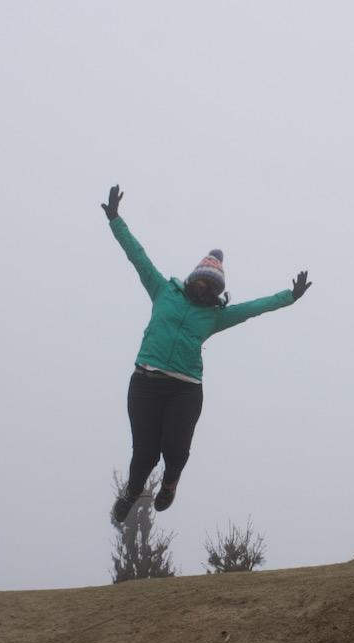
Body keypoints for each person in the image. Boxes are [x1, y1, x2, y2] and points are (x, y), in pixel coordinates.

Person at [102, 184, 313, 527]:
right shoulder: (162, 290)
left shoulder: (215, 316)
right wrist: (115, 219)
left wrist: (289, 296)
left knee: (176, 449)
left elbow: (252, 308)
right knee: (144, 453)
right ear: (192, 279)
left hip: (185, 388)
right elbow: (137, 256)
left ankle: (170, 484)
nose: (205, 289)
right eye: (202, 282)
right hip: (145, 382)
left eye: (212, 287)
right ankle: (131, 492)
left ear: (216, 292)